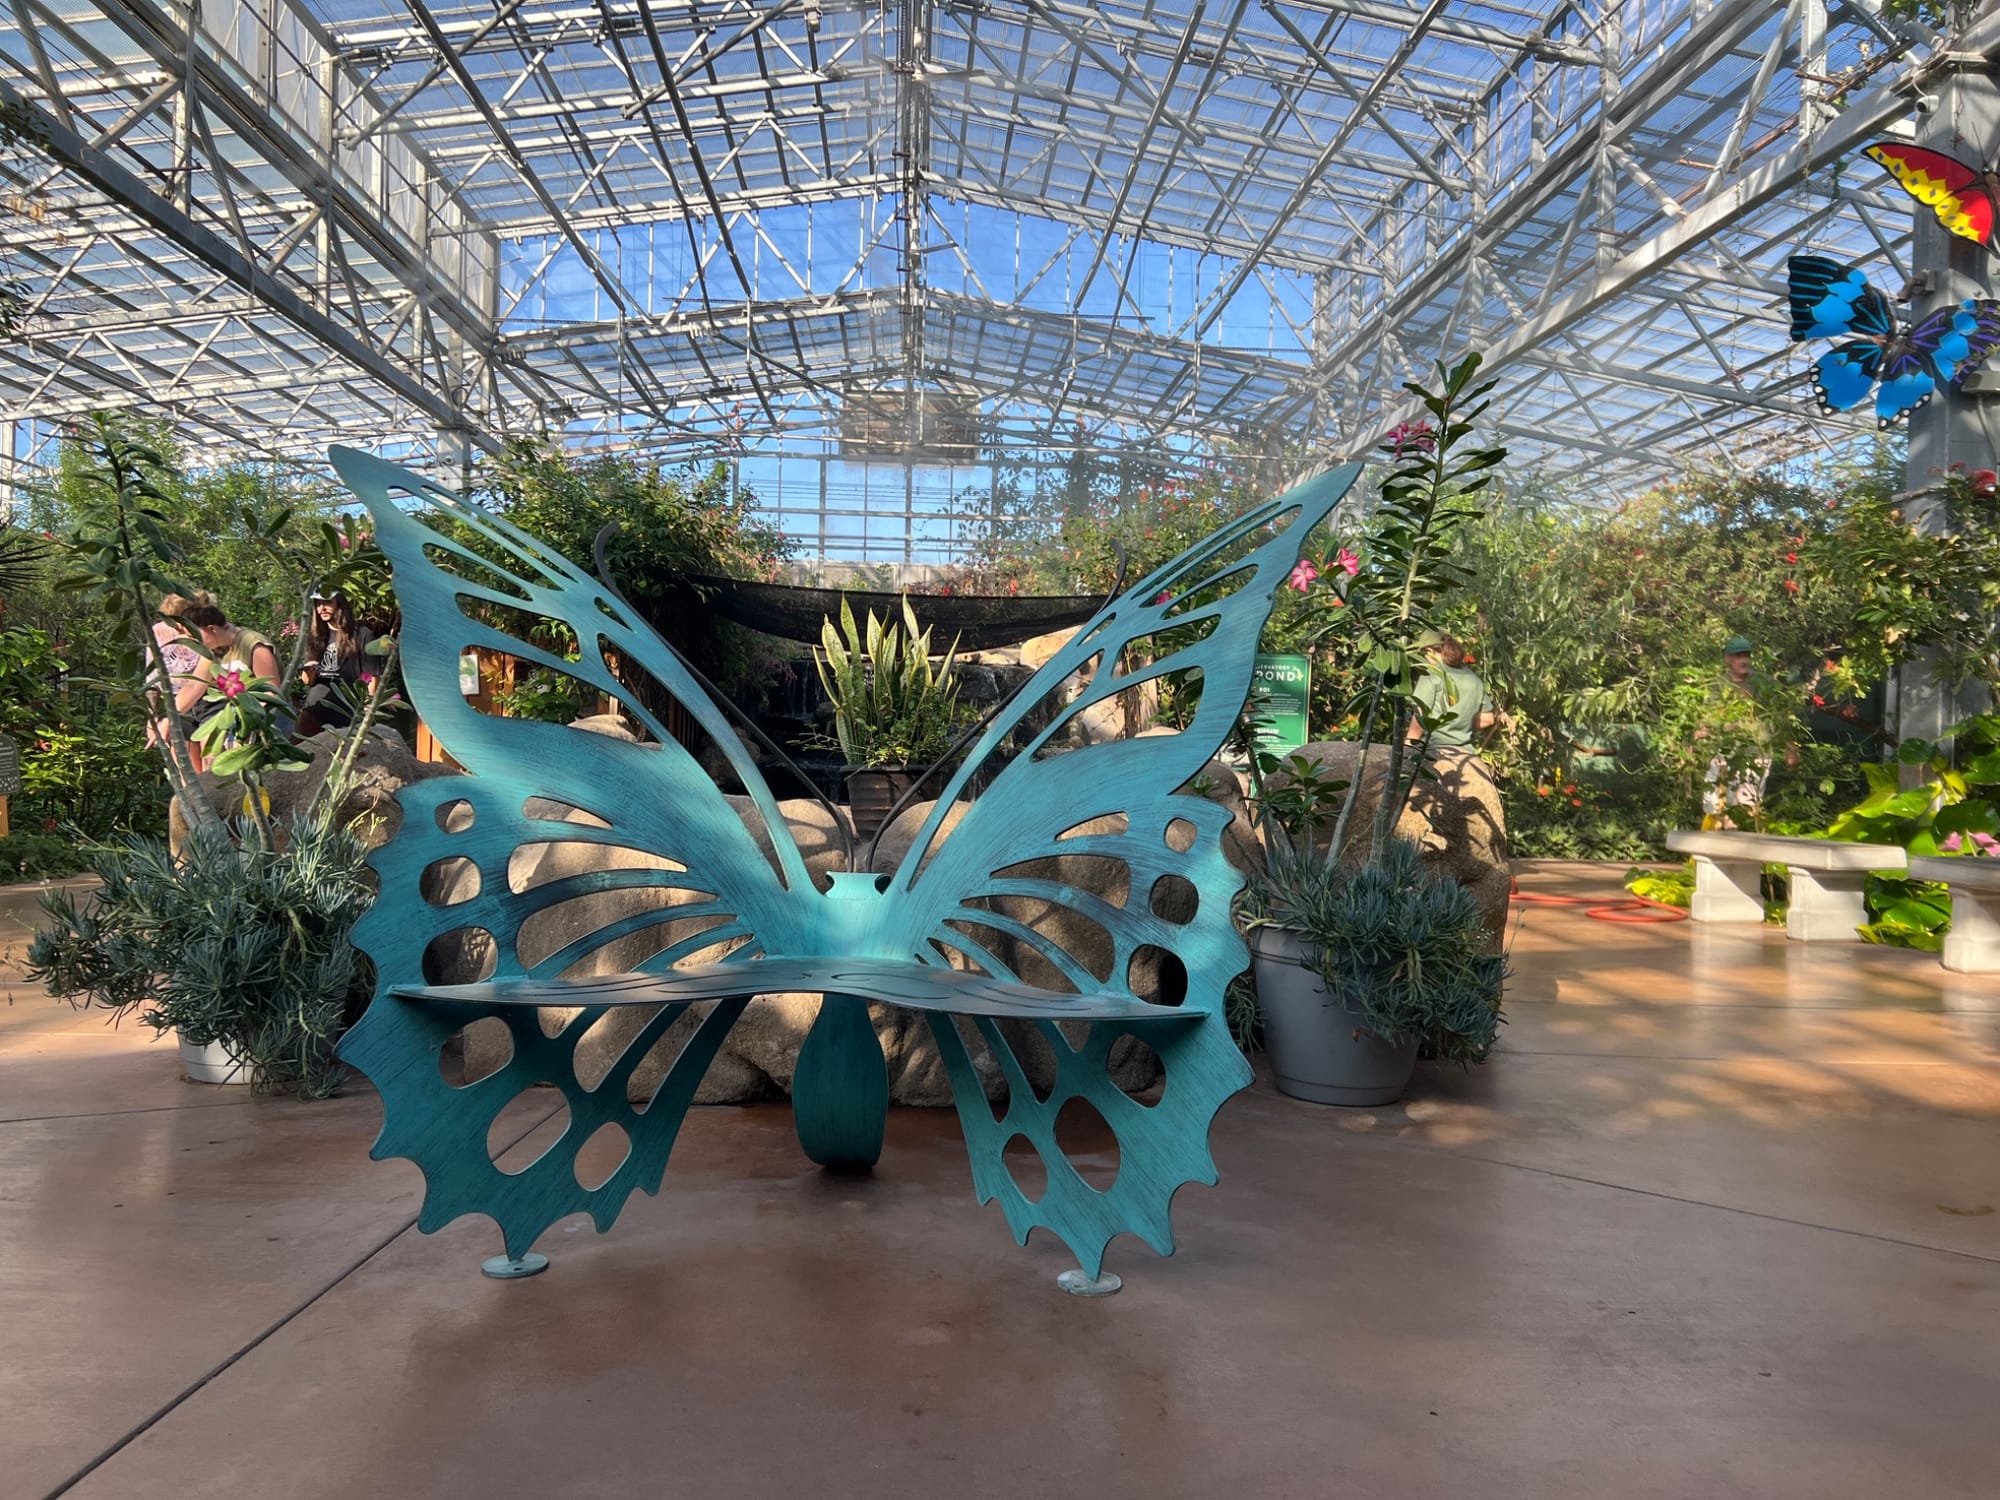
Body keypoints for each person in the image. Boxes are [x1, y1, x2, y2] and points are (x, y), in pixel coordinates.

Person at [1697, 634, 1794, 829]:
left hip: (1756, 754)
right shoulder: (1716, 685)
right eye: (1738, 656)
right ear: (1728, 659)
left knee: (1745, 808)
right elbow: (1707, 719)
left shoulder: (1764, 683)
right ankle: (1712, 852)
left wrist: (1791, 749)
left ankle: (1738, 854)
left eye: (1746, 655)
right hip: (1724, 753)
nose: (1743, 660)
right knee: (1713, 804)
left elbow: (1782, 716)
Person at [295, 591, 376, 737]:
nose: (322, 608)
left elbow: (372, 676)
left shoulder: (363, 635)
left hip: (348, 713)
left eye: (326, 602)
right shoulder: (316, 637)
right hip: (315, 711)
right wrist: (309, 672)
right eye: (318, 604)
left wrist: (369, 709)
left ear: (340, 603)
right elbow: (308, 682)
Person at [146, 592, 213, 768]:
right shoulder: (159, 633)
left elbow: (197, 683)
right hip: (177, 701)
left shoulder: (210, 633)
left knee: (211, 769)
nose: (176, 627)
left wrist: (169, 718)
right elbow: (152, 678)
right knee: (188, 773)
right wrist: (152, 716)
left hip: (211, 700)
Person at [1406, 629, 1495, 752]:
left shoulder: (1431, 674)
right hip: (1466, 751)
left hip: (1434, 748)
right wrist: (1461, 724)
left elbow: (1420, 717)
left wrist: (1408, 745)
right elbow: (1488, 719)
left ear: (1430, 651)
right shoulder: (1474, 679)